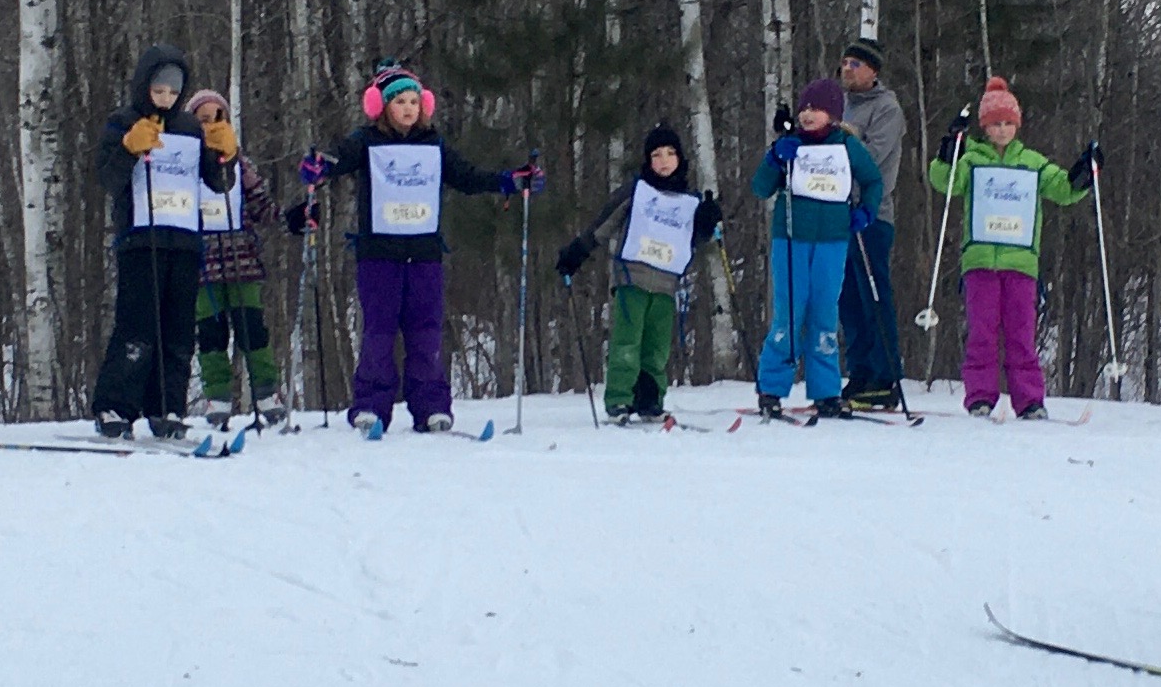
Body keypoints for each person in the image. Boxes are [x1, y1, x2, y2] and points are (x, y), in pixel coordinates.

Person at [296, 65, 540, 435]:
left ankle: (431, 407)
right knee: (379, 331)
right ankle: (370, 406)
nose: (409, 108)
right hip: (379, 254)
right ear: (381, 106)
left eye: (414, 101)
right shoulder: (366, 141)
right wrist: (319, 168)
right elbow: (337, 160)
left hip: (425, 254)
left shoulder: (434, 144)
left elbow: (467, 177)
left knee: (425, 332)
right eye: (399, 101)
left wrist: (508, 180)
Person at [922, 75, 1093, 420]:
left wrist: (1081, 175)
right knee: (982, 333)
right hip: (981, 260)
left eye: (1007, 123)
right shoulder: (971, 160)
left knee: (1021, 335)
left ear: (1017, 125)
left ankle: (1029, 399)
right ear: (984, 128)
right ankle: (981, 398)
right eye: (995, 124)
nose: (1001, 130)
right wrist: (947, 154)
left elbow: (1061, 188)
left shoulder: (1031, 162)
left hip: (1021, 262)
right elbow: (946, 182)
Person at [92, 44, 229, 437]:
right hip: (140, 239)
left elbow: (217, 183)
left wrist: (224, 155)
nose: (166, 98)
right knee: (137, 325)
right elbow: (107, 179)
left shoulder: (188, 127)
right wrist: (128, 149)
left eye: (173, 91)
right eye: (159, 90)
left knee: (178, 329)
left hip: (184, 241)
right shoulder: (123, 121)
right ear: (144, 86)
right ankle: (115, 405)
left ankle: (167, 405)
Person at [556, 122, 722, 422]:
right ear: (648, 160)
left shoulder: (688, 200)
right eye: (656, 155)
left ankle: (650, 399)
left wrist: (708, 221)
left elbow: (694, 239)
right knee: (627, 342)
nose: (664, 161)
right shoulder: (638, 191)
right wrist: (578, 251)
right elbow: (604, 224)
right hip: (633, 277)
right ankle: (620, 398)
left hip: (666, 283)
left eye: (670, 154)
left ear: (680, 159)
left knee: (657, 348)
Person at [750, 77, 887, 419]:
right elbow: (759, 188)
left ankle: (826, 390)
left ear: (834, 115)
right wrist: (774, 158)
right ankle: (771, 387)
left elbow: (872, 179)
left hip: (833, 239)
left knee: (825, 311)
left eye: (817, 109)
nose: (809, 115)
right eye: (805, 109)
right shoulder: (791, 144)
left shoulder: (846, 146)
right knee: (790, 311)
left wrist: (866, 210)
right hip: (792, 237)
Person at [184, 86, 286, 427]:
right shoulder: (186, 165)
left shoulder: (240, 165)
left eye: (218, 117)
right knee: (211, 334)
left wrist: (294, 216)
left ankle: (266, 391)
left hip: (242, 260)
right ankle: (217, 395)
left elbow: (262, 207)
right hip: (203, 265)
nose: (212, 124)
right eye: (203, 119)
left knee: (252, 328)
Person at [835, 39, 910, 411]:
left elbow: (873, 157)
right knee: (848, 299)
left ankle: (886, 376)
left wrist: (846, 136)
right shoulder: (840, 103)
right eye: (845, 63)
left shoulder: (887, 107)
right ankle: (861, 372)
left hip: (871, 213)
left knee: (874, 296)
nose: (847, 69)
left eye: (855, 64)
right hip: (837, 215)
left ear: (873, 70)